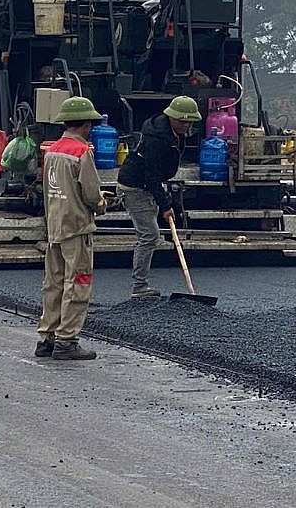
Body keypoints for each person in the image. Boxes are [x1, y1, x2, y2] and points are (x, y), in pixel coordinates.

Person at [35, 96, 108, 361]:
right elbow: (90, 193)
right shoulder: (82, 151)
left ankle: (47, 337)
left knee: (53, 283)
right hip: (76, 227)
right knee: (78, 282)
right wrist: (101, 204)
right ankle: (67, 341)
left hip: (55, 225)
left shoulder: (52, 150)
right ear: (86, 123)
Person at [117, 95, 202, 299]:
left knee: (150, 235)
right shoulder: (157, 139)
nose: (186, 125)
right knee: (149, 236)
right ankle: (139, 286)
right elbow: (151, 176)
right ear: (171, 117)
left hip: (149, 184)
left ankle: (140, 284)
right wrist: (165, 205)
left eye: (189, 121)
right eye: (182, 121)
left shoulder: (173, 133)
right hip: (135, 187)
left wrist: (165, 199)